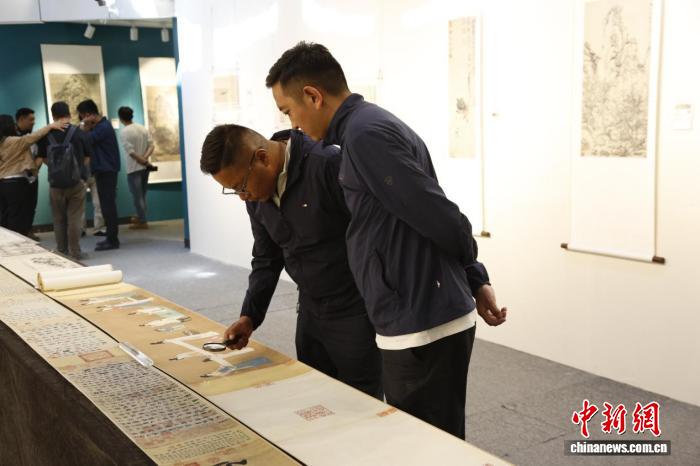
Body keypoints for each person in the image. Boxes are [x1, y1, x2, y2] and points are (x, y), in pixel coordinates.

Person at [266, 42, 508, 438]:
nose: (292, 125)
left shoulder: (365, 136)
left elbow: (441, 217)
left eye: (288, 110)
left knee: (428, 447)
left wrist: (474, 273)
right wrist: (474, 277)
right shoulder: (362, 130)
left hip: (423, 321)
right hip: (414, 312)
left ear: (312, 95)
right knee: (424, 442)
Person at [200, 124, 382, 399]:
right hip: (310, 308)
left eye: (240, 186)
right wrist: (250, 316)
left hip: (355, 309)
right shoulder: (257, 196)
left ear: (262, 157)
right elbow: (266, 258)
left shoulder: (327, 165)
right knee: (316, 395)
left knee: (362, 402)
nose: (242, 197)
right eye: (233, 190)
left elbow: (374, 237)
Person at [36, 102, 90, 260]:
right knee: (75, 218)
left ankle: (61, 251)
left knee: (58, 218)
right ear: (69, 114)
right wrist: (78, 171)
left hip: (55, 184)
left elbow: (43, 158)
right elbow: (88, 156)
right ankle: (75, 252)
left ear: (53, 116)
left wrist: (57, 169)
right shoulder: (79, 133)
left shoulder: (46, 135)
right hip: (76, 182)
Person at [0, 115, 66, 236]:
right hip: (16, 182)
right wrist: (50, 126)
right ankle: (17, 241)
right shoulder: (15, 141)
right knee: (17, 215)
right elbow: (35, 136)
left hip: (2, 183)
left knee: (4, 215)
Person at [77, 99, 120, 251]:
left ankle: (112, 240)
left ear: (89, 114)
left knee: (108, 206)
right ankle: (110, 238)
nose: (83, 120)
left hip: (106, 170)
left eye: (83, 116)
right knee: (106, 205)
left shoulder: (103, 127)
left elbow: (86, 140)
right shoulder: (100, 127)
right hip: (104, 169)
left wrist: (83, 127)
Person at [118, 106, 154, 229]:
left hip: (134, 168)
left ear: (121, 118)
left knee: (137, 196)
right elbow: (151, 145)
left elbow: (131, 152)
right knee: (142, 195)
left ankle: (142, 221)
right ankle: (141, 217)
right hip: (145, 168)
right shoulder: (142, 128)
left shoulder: (124, 132)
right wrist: (145, 158)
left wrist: (140, 160)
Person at [15, 107, 40, 240]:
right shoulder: (11, 137)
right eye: (31, 119)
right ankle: (20, 232)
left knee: (31, 204)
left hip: (32, 176)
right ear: (21, 119)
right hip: (18, 177)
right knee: (19, 205)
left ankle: (28, 230)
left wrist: (34, 170)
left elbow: (39, 154)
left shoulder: (34, 136)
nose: (33, 122)